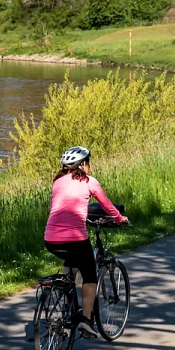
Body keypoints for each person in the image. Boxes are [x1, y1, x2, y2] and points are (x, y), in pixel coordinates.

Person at [44, 145, 127, 338]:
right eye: (88, 162)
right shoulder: (90, 182)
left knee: (71, 263)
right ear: (83, 165)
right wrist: (120, 219)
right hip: (75, 238)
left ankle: (64, 304)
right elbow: (107, 206)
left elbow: (60, 209)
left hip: (50, 238)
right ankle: (86, 321)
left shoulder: (57, 183)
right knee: (90, 275)